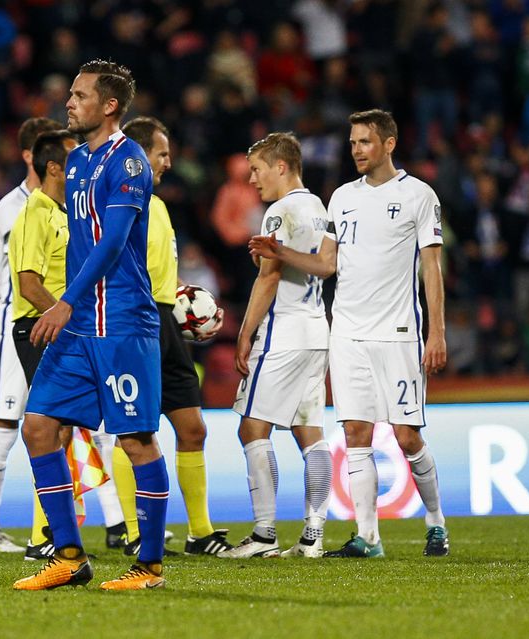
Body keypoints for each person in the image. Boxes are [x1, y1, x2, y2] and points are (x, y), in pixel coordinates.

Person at [250, 109, 450, 558]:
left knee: (406, 437)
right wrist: (279, 251)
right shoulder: (340, 197)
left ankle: (436, 521)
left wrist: (436, 332)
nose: (356, 149)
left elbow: (431, 268)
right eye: (353, 142)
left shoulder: (419, 195)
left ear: (389, 144)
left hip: (399, 333)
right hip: (347, 333)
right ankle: (368, 537)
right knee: (356, 432)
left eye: (364, 141)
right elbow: (327, 263)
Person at [13, 59, 168, 591]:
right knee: (37, 427)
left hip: (122, 321)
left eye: (79, 96)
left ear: (109, 106)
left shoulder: (129, 165)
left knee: (137, 440)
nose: (68, 103)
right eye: (69, 95)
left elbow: (112, 243)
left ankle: (149, 567)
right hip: (81, 327)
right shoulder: (76, 163)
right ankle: (70, 556)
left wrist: (64, 303)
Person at [216, 132, 333, 559]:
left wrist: (244, 333)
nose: (252, 180)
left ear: (281, 166)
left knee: (251, 426)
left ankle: (264, 535)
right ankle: (313, 536)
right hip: (317, 330)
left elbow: (268, 277)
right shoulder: (318, 207)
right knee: (310, 432)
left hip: (283, 332)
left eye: (258, 170)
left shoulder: (279, 211)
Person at [118, 115, 231, 556]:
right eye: (161, 153)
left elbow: (156, 273)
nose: (168, 161)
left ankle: (199, 534)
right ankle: (133, 533)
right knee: (136, 430)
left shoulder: (158, 205)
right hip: (134, 323)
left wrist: (187, 307)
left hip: (166, 324)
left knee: (193, 428)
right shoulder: (119, 203)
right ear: (139, 155)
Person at [0, 116, 60, 555]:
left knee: (66, 423)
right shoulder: (14, 207)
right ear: (32, 156)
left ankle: (115, 524)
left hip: (52, 320)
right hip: (18, 320)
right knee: (8, 422)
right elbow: (28, 275)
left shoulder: (59, 204)